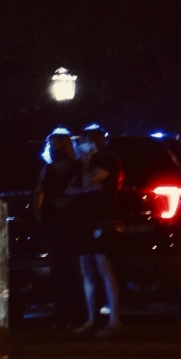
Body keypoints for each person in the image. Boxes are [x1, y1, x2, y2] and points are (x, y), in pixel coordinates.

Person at [66, 125, 124, 338]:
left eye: (83, 141)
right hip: (83, 221)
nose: (78, 146)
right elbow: (71, 188)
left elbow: (86, 181)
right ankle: (91, 318)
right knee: (86, 268)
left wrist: (86, 166)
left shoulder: (105, 160)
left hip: (102, 219)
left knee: (103, 267)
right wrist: (86, 186)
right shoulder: (82, 165)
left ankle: (114, 319)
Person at [32, 131, 84, 328]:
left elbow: (84, 187)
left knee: (74, 268)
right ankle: (63, 315)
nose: (56, 149)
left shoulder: (78, 167)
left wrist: (70, 200)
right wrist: (39, 213)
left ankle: (78, 314)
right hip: (54, 222)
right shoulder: (48, 169)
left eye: (59, 145)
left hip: (72, 222)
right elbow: (39, 191)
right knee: (59, 270)